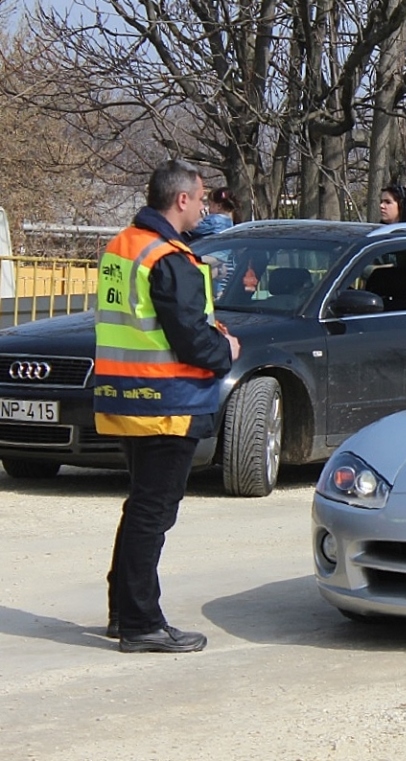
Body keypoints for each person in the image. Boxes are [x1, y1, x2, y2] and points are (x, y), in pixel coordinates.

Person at [95, 159, 241, 654]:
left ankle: (123, 612)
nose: (203, 206)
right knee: (153, 513)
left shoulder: (124, 245)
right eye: (200, 198)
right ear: (181, 200)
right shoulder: (169, 257)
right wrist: (227, 351)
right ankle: (141, 623)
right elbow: (190, 337)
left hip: (126, 397)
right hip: (166, 401)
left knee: (140, 507)